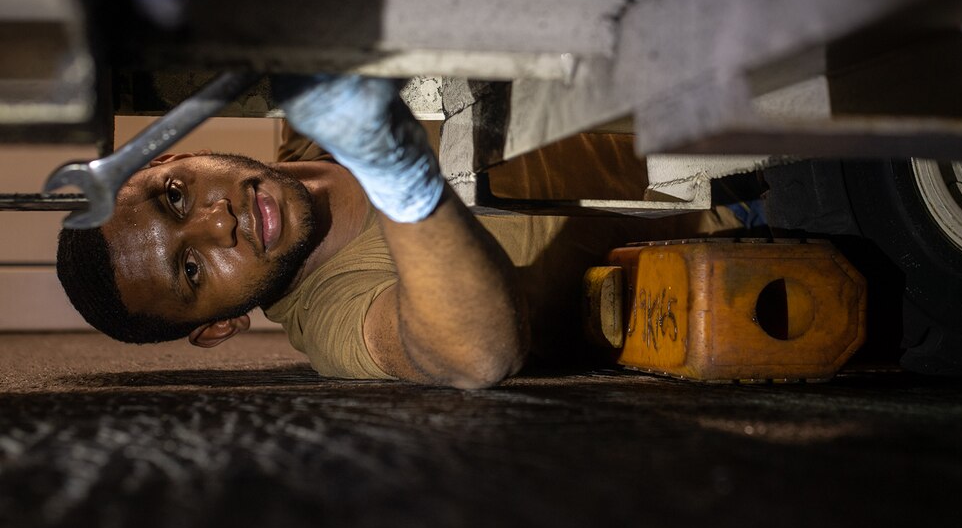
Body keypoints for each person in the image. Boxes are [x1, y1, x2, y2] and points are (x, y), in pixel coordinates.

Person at [57, 75, 737, 388]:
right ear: (219, 328)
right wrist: (395, 168)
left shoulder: (309, 108)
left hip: (699, 67)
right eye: (193, 270)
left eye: (176, 198)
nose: (218, 222)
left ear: (175, 157)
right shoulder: (330, 321)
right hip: (758, 208)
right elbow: (475, 356)